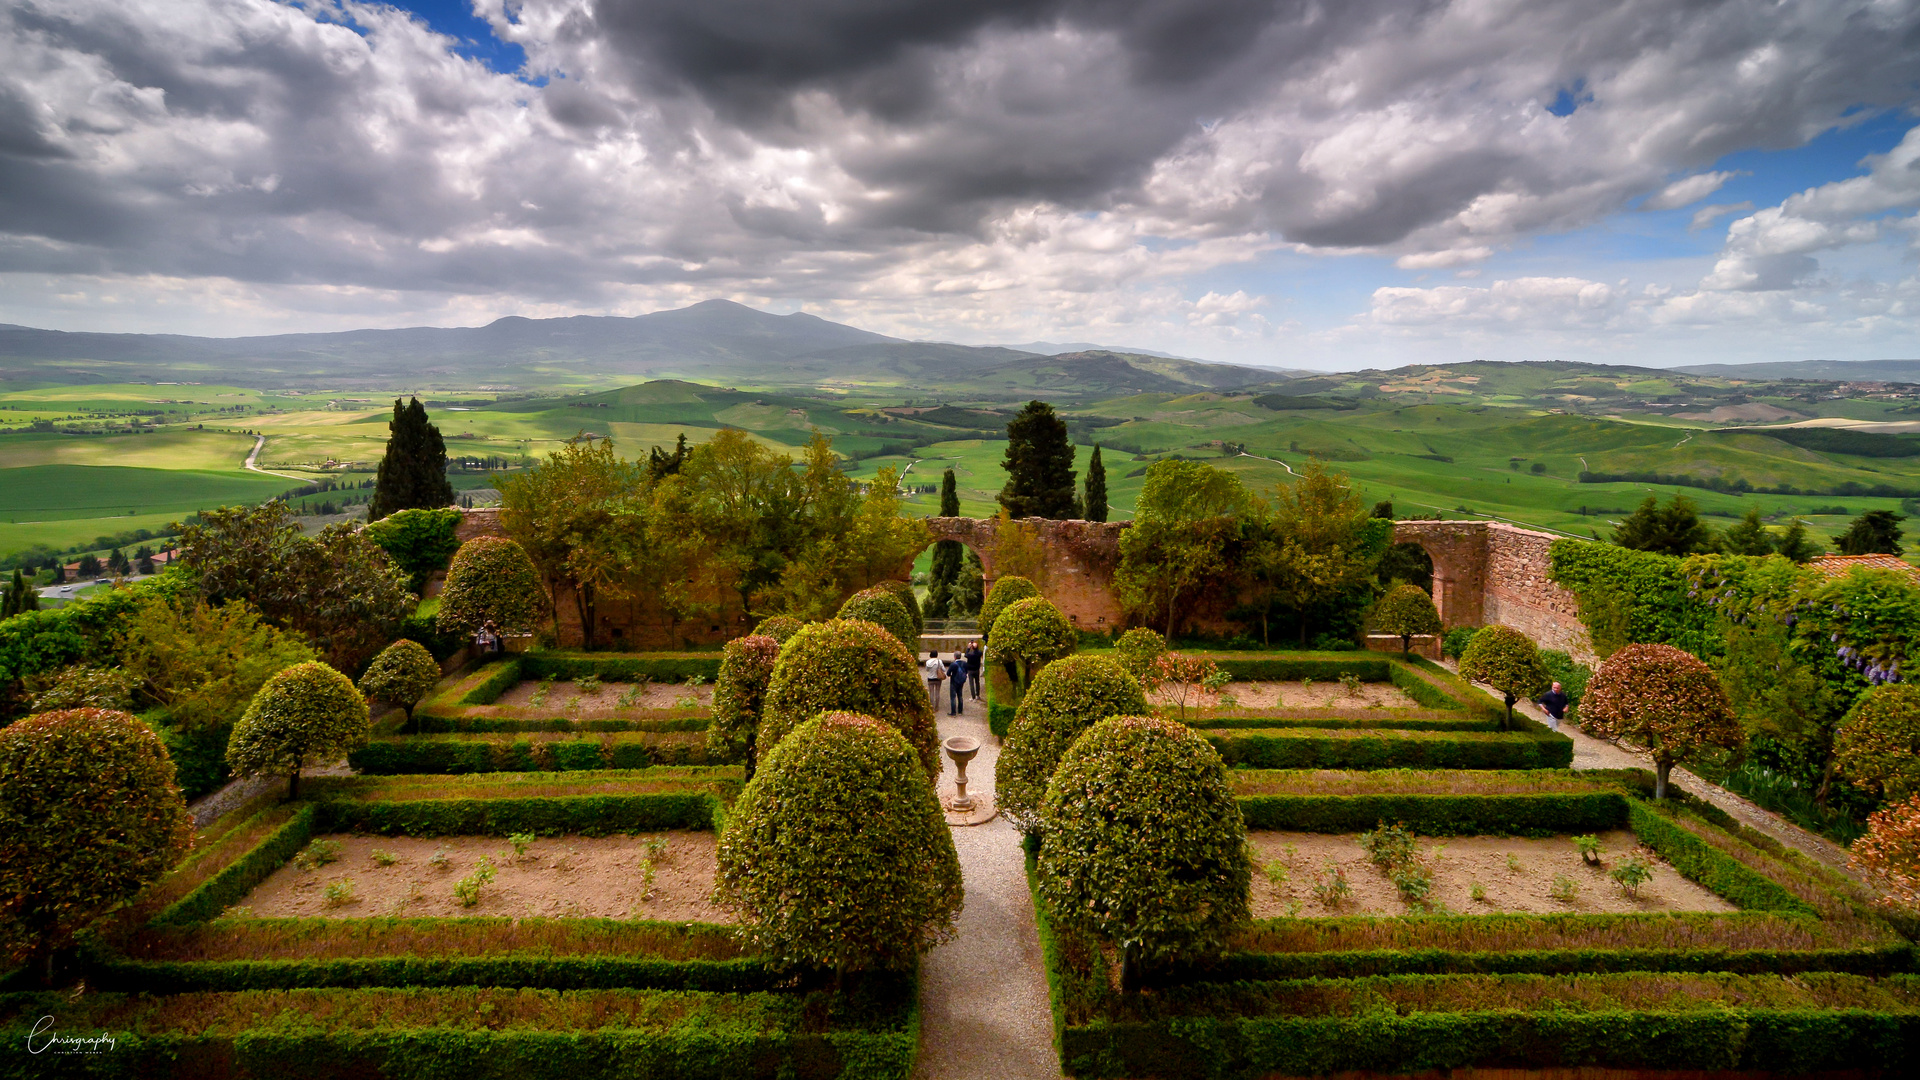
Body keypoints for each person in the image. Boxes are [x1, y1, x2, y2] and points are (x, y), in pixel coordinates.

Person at [947, 652, 969, 716]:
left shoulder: (953, 664)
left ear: (955, 657)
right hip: (961, 681)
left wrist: (951, 675)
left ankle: (953, 712)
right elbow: (966, 671)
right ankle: (960, 711)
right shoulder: (964, 663)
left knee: (953, 697)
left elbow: (948, 673)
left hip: (954, 681)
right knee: (960, 696)